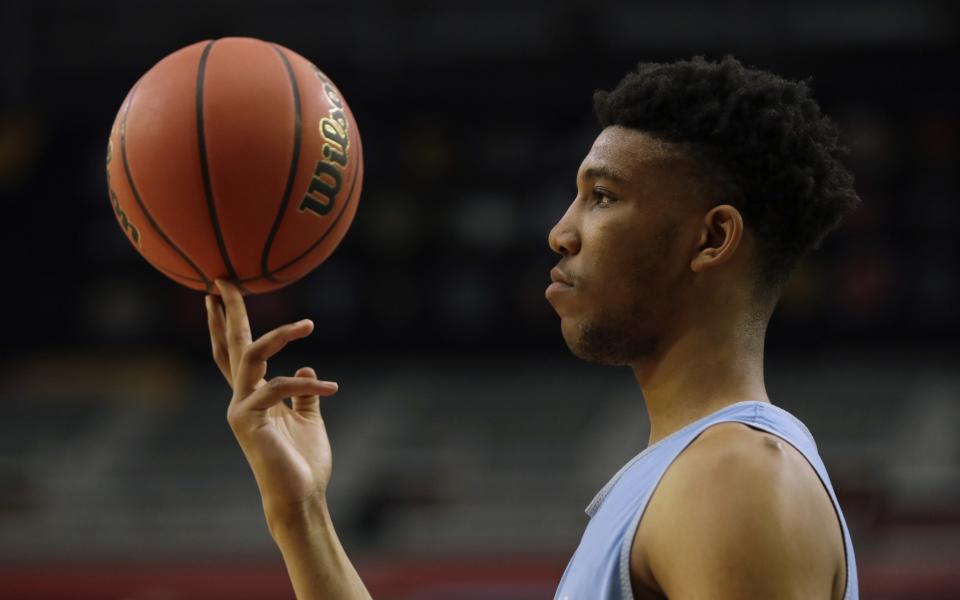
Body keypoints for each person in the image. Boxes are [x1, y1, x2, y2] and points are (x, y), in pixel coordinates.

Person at [205, 55, 860, 599]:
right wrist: (299, 512)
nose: (560, 231)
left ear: (712, 237)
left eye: (603, 197)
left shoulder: (736, 477)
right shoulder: (687, 472)